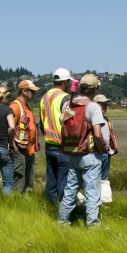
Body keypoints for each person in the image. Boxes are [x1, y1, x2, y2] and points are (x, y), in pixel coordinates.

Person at [58, 74, 107, 227]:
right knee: (92, 192)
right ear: (94, 89)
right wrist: (102, 149)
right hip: (90, 155)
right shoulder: (93, 107)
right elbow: (97, 134)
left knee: (70, 191)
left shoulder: (69, 104)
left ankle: (63, 222)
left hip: (73, 152)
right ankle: (92, 225)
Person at [39, 68, 73, 204]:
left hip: (49, 144)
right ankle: (63, 210)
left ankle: (50, 207)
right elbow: (70, 122)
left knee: (51, 180)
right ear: (65, 82)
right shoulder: (65, 98)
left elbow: (41, 122)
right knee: (63, 180)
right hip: (63, 144)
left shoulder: (44, 98)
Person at [11, 80, 41, 194]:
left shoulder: (27, 107)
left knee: (29, 182)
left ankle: (26, 205)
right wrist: (14, 148)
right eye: (32, 92)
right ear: (24, 91)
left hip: (29, 149)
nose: (34, 94)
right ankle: (16, 206)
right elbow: (9, 128)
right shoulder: (16, 106)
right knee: (19, 181)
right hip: (19, 150)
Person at [0, 86, 15, 194]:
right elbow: (12, 127)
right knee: (8, 182)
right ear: (5, 98)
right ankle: (6, 204)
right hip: (5, 147)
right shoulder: (8, 110)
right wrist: (10, 142)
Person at [94, 94, 116, 203]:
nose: (104, 106)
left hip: (106, 153)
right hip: (95, 154)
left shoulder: (107, 120)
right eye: (102, 104)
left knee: (104, 179)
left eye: (105, 104)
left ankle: (104, 201)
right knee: (94, 180)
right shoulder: (92, 119)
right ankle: (96, 202)